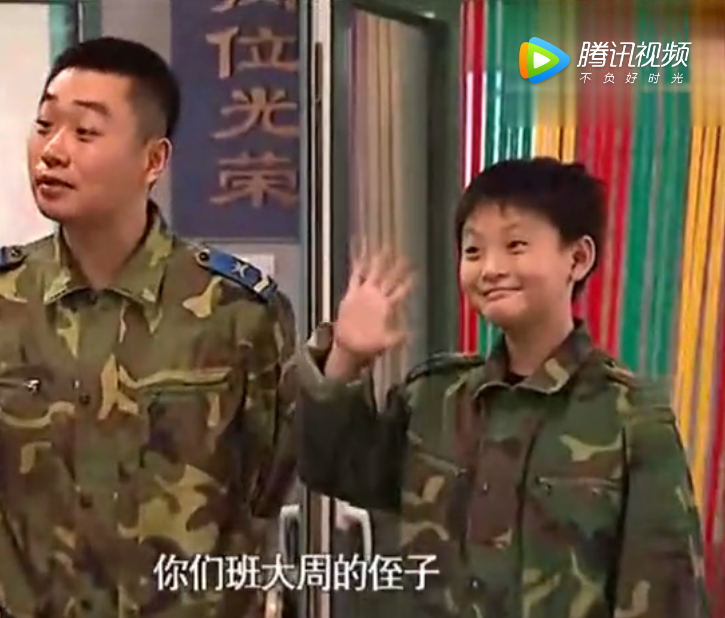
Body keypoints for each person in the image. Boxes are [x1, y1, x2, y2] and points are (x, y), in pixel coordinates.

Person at [0, 37, 297, 618]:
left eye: (85, 132)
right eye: (44, 126)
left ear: (152, 160)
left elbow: (269, 479)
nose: (52, 151)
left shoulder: (236, 311)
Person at [295, 158, 710, 618]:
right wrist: (346, 355)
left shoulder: (631, 417)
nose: (491, 268)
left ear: (577, 258)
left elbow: (666, 597)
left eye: (515, 246)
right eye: (473, 251)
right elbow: (332, 467)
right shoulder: (435, 398)